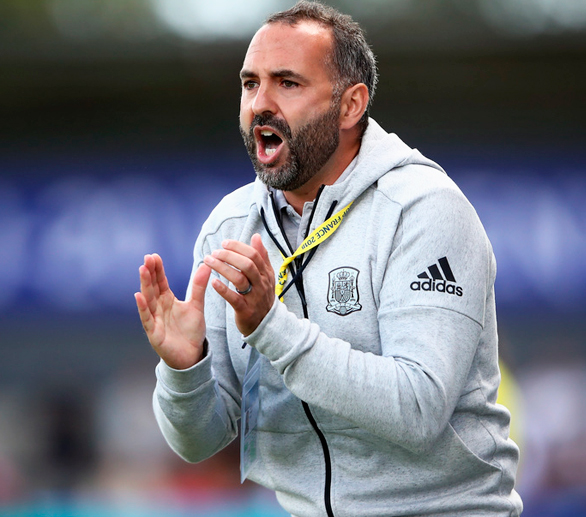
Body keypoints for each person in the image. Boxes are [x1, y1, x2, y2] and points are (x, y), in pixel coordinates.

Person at [134, 1, 522, 516]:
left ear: (350, 105)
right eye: (250, 84)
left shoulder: (424, 209)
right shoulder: (231, 225)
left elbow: (418, 409)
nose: (260, 105)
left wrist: (272, 328)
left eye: (288, 83)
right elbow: (199, 442)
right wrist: (185, 370)